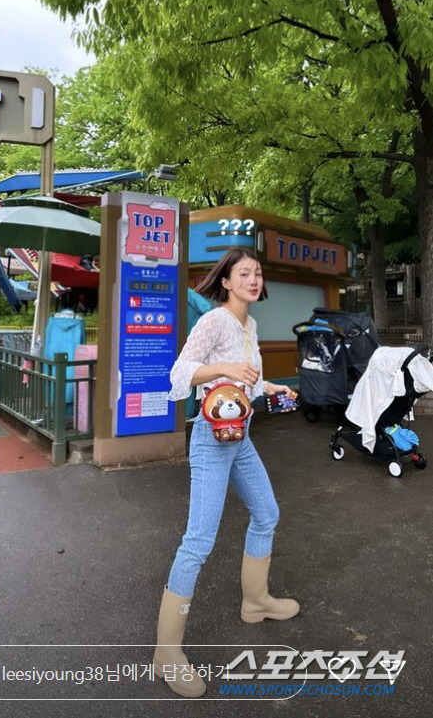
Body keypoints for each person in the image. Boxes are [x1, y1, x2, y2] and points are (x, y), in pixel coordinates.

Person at [153, 247, 300, 698]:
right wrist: (223, 369)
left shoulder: (249, 324)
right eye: (244, 273)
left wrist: (267, 386)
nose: (254, 279)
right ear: (227, 282)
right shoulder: (215, 320)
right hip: (211, 441)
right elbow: (180, 374)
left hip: (242, 436)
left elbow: (243, 382)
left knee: (267, 513)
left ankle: (256, 602)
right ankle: (166, 653)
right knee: (198, 541)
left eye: (257, 273)